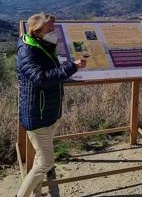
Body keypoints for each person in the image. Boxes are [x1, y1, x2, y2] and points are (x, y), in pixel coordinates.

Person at [16, 12, 86, 197]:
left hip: (48, 112)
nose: (53, 31)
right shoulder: (27, 51)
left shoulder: (42, 46)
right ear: (37, 31)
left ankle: (36, 193)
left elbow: (52, 73)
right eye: (49, 28)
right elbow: (41, 78)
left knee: (41, 158)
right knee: (45, 163)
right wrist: (73, 67)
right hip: (37, 115)